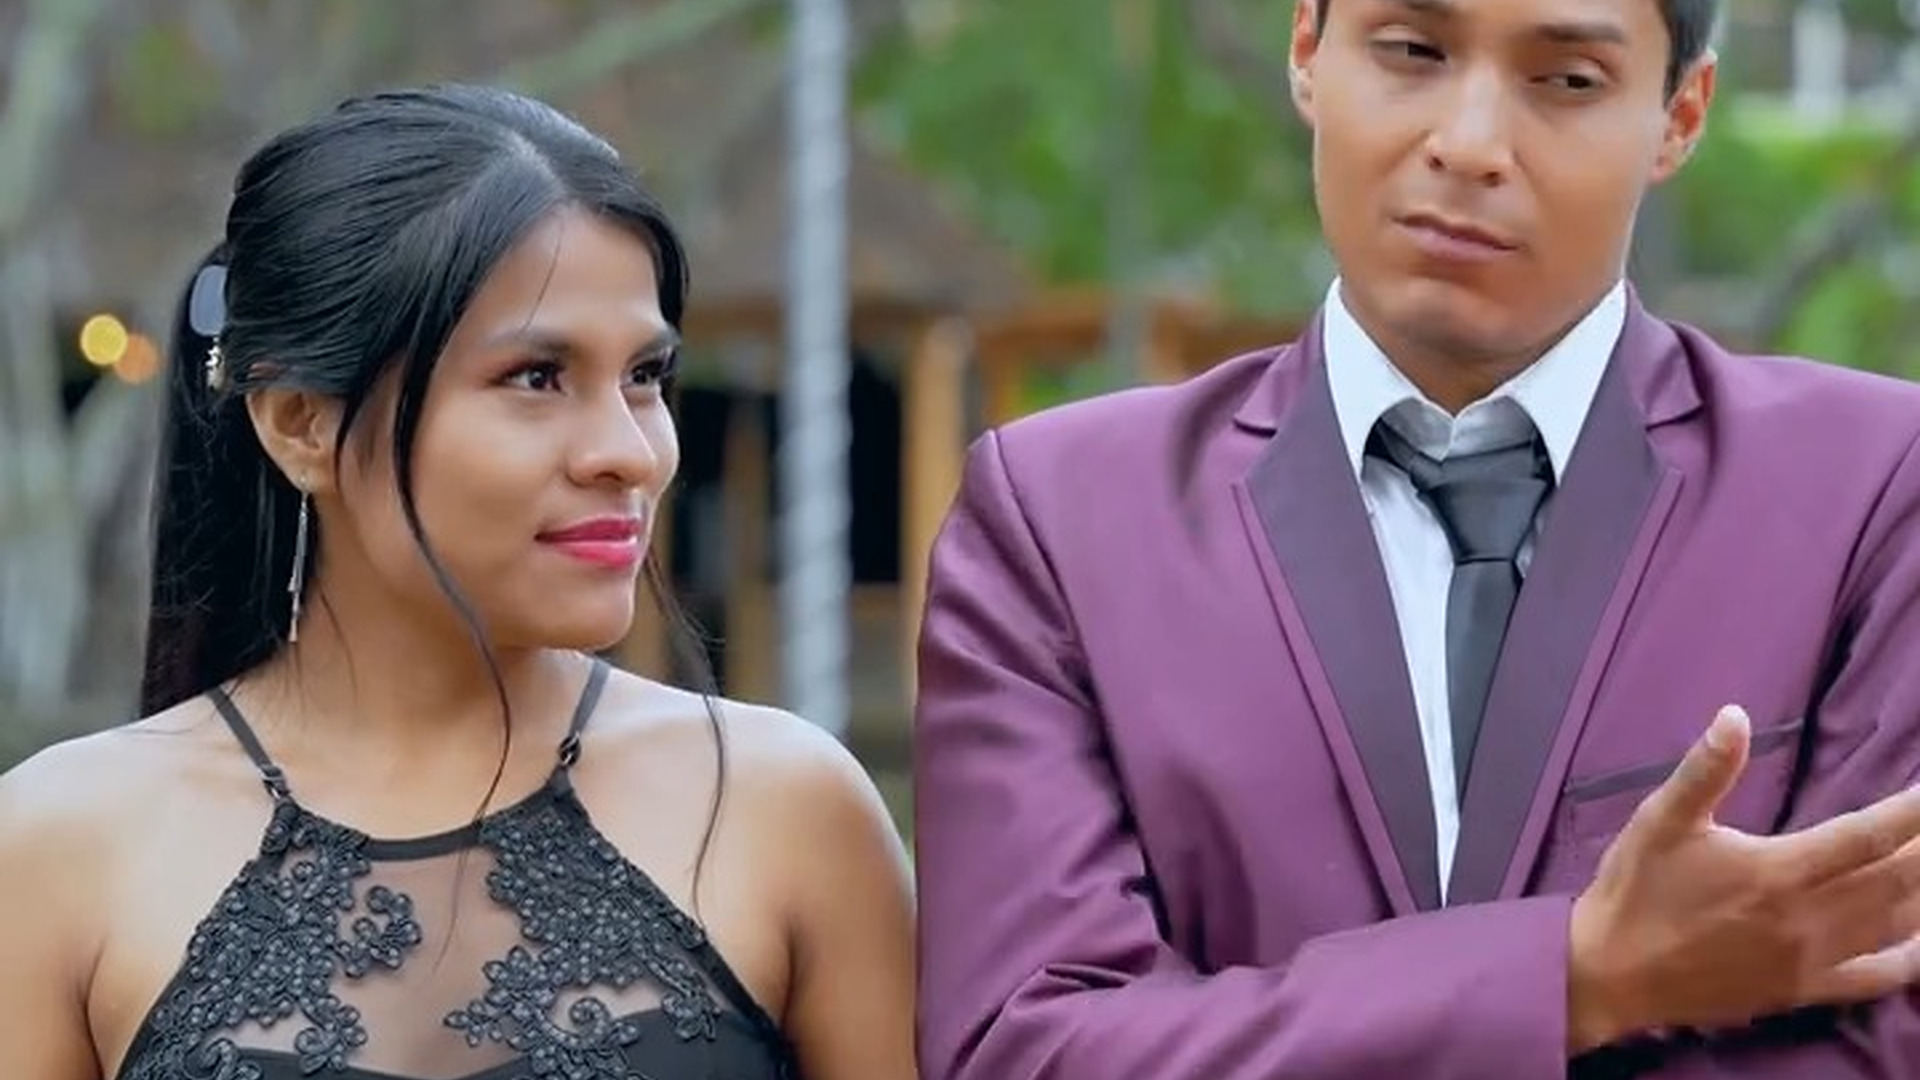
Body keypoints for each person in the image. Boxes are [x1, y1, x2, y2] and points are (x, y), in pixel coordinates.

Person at [913, 0, 1920, 1076]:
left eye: (1567, 81)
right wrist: (1578, 976)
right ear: (1308, 48)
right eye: (1412, 51)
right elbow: (1024, 1049)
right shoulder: (1059, 523)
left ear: (1680, 113)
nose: (1471, 144)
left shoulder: (1874, 491)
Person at [0, 84, 915, 1080]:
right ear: (301, 422)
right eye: (537, 377)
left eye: (645, 376)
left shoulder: (785, 811)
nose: (630, 451)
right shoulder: (60, 847)